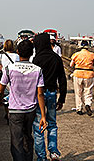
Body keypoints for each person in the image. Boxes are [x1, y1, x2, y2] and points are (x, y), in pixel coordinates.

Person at [0, 39, 47, 161]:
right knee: (27, 137)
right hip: (30, 110)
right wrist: (43, 116)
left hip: (15, 110)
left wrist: (0, 99)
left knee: (16, 141)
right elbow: (40, 94)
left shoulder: (9, 68)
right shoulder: (38, 70)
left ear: (18, 52)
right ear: (31, 53)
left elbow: (0, 89)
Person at [32, 33, 67, 161]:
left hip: (38, 95)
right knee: (52, 123)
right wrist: (62, 99)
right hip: (52, 93)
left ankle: (41, 157)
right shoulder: (56, 58)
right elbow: (62, 80)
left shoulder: (36, 59)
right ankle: (53, 152)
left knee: (39, 125)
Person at [69, 40, 94, 116]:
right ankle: (88, 104)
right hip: (89, 74)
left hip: (78, 74)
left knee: (78, 92)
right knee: (88, 91)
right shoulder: (92, 55)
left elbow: (71, 65)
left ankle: (79, 109)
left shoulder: (76, 54)